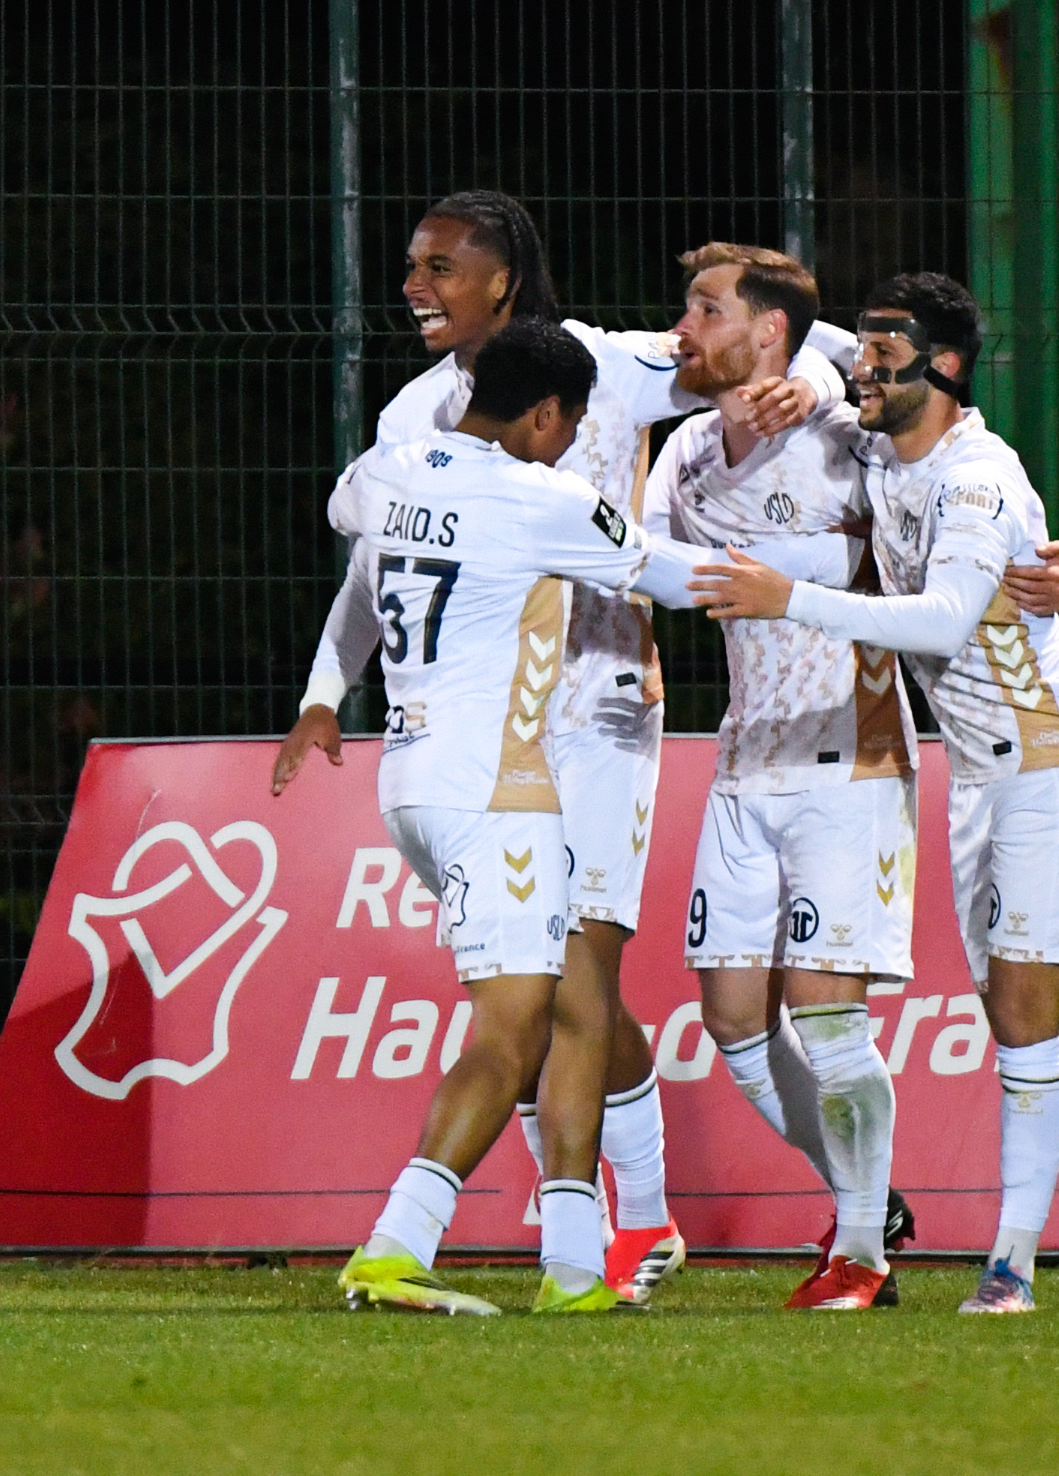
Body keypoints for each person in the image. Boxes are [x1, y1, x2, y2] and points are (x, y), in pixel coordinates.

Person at [275, 190, 845, 1305]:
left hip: (592, 715)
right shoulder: (439, 427)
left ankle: (613, 1235)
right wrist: (323, 686)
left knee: (568, 988)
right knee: (552, 998)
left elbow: (770, 340)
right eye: (414, 265)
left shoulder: (593, 365)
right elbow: (376, 573)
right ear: (547, 422)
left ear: (503, 277)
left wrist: (811, 383)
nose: (416, 285)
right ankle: (585, 1238)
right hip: (495, 753)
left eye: (440, 267)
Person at [696, 273, 1059, 1312]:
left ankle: (1010, 1270)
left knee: (1026, 1026)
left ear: (944, 368)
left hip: (1056, 761)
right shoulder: (879, 444)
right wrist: (812, 347)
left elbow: (945, 621)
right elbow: (818, 340)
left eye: (885, 351)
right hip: (980, 771)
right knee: (1020, 1014)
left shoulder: (975, 479)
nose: (862, 366)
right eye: (860, 348)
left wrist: (790, 599)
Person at [328, 319, 721, 1315]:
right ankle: (394, 1247)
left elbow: (345, 512)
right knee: (511, 1034)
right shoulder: (540, 496)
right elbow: (668, 578)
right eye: (573, 423)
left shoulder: (388, 466)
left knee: (566, 1007)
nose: (571, 440)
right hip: (496, 788)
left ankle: (575, 1267)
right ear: (546, 414)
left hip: (408, 777)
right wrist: (793, 592)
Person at [643, 242, 919, 1310]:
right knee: (730, 1021)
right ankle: (867, 1197)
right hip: (743, 761)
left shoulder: (848, 430)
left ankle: (858, 1251)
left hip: (847, 760)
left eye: (705, 307)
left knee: (827, 1021)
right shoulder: (683, 453)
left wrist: (824, 365)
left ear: (768, 331)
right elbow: (658, 575)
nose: (684, 327)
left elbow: (925, 374)